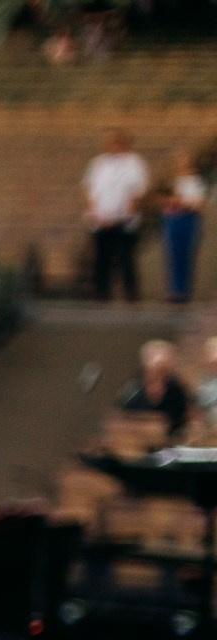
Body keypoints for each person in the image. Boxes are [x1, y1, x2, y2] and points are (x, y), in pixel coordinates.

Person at [85, 129, 150, 301]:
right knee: (101, 258)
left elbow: (138, 191)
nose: (113, 145)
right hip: (101, 220)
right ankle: (101, 291)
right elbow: (89, 189)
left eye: (116, 142)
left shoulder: (134, 163)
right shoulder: (98, 163)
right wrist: (93, 212)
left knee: (126, 258)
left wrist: (125, 215)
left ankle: (130, 291)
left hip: (124, 221)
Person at [120, 339, 193, 437]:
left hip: (172, 444)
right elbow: (122, 415)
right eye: (157, 368)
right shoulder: (134, 388)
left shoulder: (178, 390)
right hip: (137, 441)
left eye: (164, 368)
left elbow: (187, 419)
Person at [163, 149, 206, 304]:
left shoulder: (197, 182)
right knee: (174, 256)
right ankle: (174, 289)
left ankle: (185, 291)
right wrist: (176, 202)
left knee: (187, 256)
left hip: (190, 220)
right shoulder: (173, 181)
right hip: (174, 220)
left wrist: (184, 203)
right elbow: (167, 202)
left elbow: (200, 205)